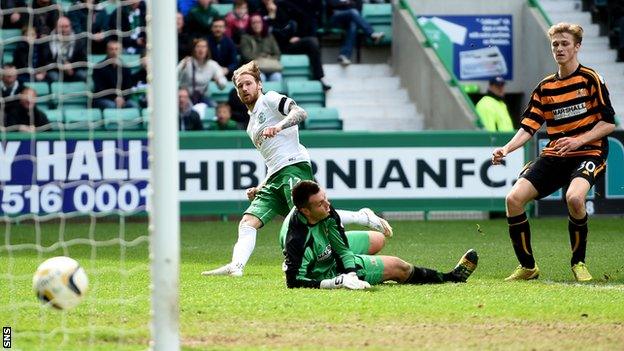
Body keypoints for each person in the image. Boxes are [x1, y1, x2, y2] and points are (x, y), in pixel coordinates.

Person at [202, 60, 393, 277]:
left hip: (294, 167)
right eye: (240, 86)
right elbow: (272, 159)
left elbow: (300, 112)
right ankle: (236, 266)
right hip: (274, 176)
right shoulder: (250, 125)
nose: (245, 89)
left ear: (259, 85)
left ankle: (363, 217)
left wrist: (280, 125)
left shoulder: (270, 100)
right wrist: (260, 186)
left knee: (310, 215)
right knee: (247, 222)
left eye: (248, 83)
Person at [491, 23, 616, 282]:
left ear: (577, 47)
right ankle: (528, 267)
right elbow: (529, 127)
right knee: (513, 200)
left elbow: (608, 123)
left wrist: (578, 141)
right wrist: (506, 148)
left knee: (574, 199)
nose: (559, 48)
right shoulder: (545, 87)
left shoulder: (591, 78)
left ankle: (578, 263)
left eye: (565, 44)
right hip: (556, 155)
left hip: (589, 152)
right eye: (555, 44)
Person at [281, 180, 479, 289]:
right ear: (305, 211)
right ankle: (451, 278)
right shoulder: (297, 240)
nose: (328, 205)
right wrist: (338, 281)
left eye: (326, 198)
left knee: (378, 239)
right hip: (322, 269)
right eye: (320, 203)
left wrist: (351, 272)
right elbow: (293, 282)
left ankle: (363, 266)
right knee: (398, 266)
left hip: (329, 250)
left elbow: (341, 248)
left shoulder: (326, 211)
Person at [260, 0, 330, 90]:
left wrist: (298, 35)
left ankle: (318, 78)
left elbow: (304, 17)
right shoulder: (259, 10)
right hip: (272, 48)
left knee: (312, 42)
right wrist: (271, 17)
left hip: (289, 43)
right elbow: (264, 32)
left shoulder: (283, 5)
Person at [326, 0, 385, 66]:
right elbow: (331, 3)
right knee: (353, 12)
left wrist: (346, 4)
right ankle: (371, 34)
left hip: (349, 18)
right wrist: (346, 3)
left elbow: (358, 5)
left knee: (353, 24)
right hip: (334, 18)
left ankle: (344, 56)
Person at [177, 38, 228, 107]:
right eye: (198, 46)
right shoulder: (186, 62)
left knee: (215, 108)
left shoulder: (212, 64)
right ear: (194, 49)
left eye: (204, 47)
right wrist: (182, 68)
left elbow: (223, 84)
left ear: (207, 49)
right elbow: (174, 76)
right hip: (186, 96)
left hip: (203, 97)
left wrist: (219, 81)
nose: (201, 49)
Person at [38, 16, 88, 82]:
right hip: (56, 70)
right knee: (54, 77)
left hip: (73, 70)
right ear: (55, 27)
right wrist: (61, 65)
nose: (64, 29)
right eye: (61, 27)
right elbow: (45, 61)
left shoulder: (79, 41)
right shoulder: (48, 41)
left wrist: (71, 66)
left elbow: (84, 61)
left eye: (66, 26)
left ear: (70, 27)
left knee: (83, 75)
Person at [92, 40, 139, 109]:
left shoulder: (125, 67)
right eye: (111, 49)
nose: (114, 52)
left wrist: (122, 98)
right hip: (103, 99)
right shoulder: (99, 67)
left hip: (121, 99)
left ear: (120, 51)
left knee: (134, 105)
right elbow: (100, 89)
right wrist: (115, 98)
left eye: (116, 49)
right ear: (107, 51)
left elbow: (128, 87)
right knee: (112, 106)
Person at [240, 14, 282, 82]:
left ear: (263, 24)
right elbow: (246, 56)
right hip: (254, 69)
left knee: (277, 76)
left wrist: (267, 58)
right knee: (260, 77)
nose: (256, 25)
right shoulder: (245, 38)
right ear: (250, 25)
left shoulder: (269, 37)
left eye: (259, 22)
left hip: (270, 67)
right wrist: (264, 56)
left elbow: (278, 54)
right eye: (254, 23)